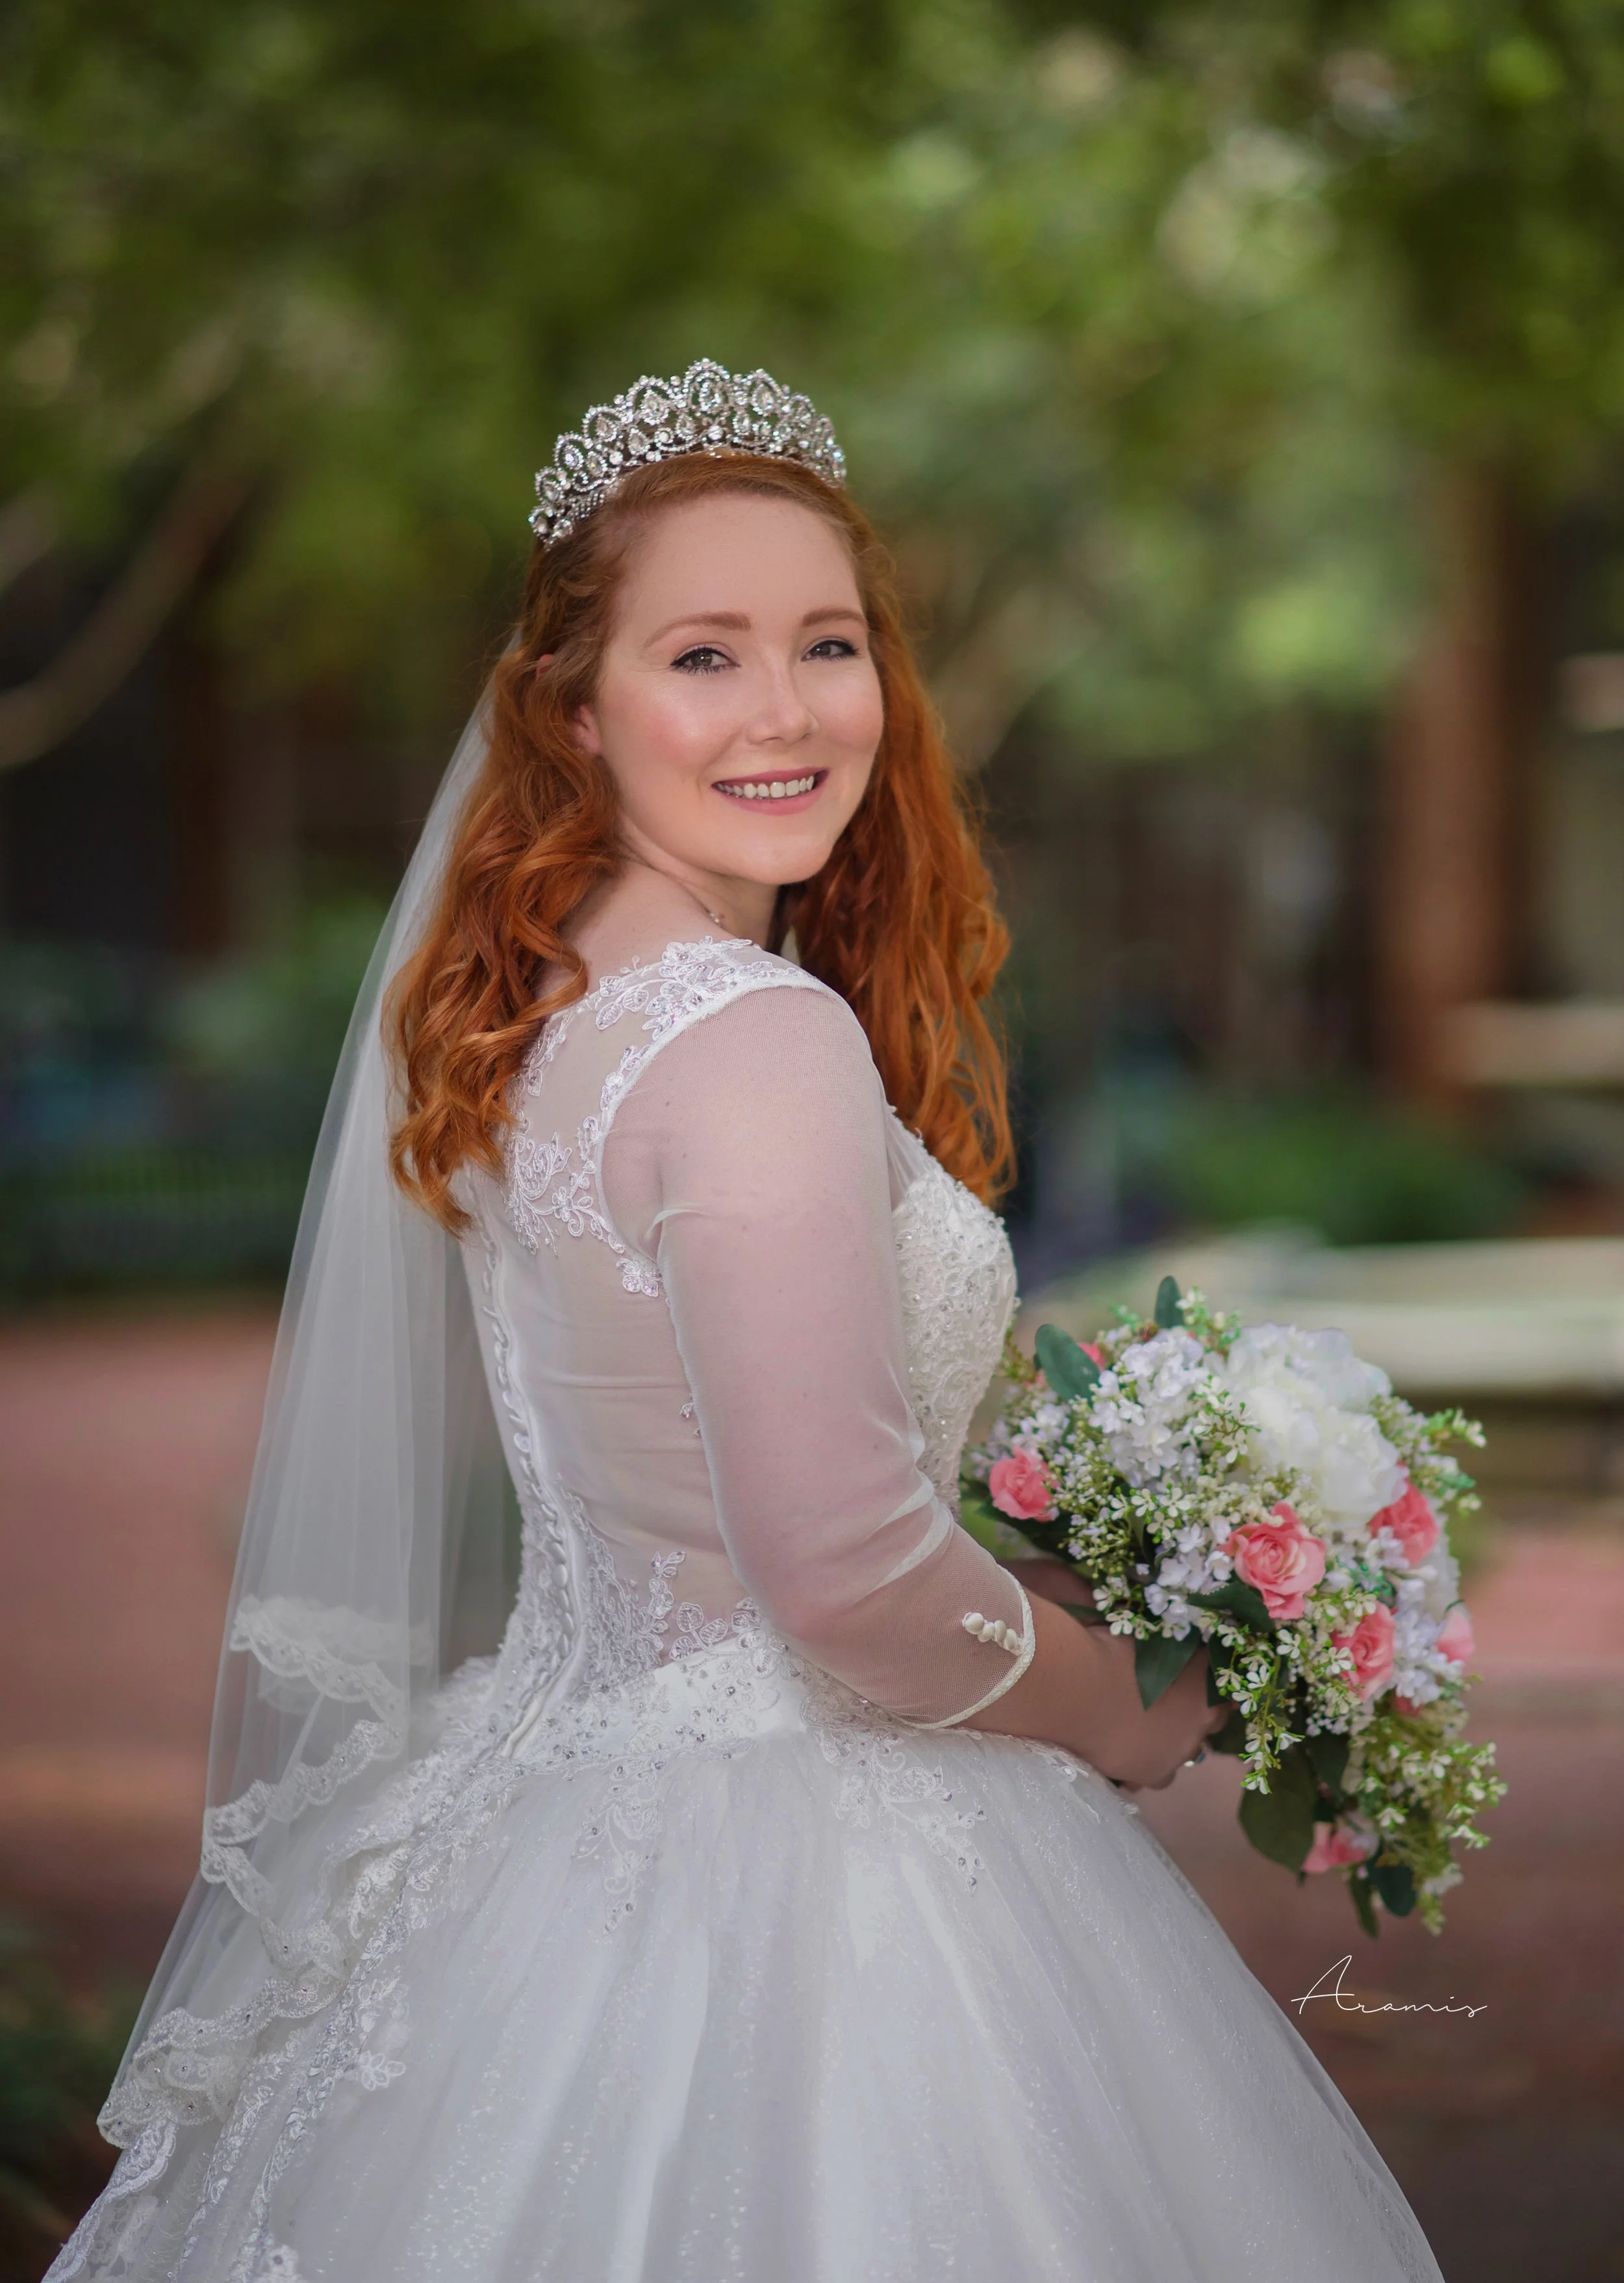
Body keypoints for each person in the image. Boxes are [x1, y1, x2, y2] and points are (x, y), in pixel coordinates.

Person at [52, 361, 1441, 2282]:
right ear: (573, 705)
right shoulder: (751, 1038)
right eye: (703, 655)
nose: (787, 710)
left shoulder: (536, 1009)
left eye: (828, 644)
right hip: (824, 1869)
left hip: (545, 1815)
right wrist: (1127, 1703)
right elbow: (852, 1576)